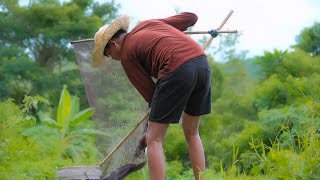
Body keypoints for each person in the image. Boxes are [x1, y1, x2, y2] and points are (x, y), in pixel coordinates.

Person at [92, 12, 218, 180]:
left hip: (177, 68)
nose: (112, 58)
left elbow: (152, 95)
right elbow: (191, 18)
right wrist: (169, 29)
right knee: (192, 132)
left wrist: (149, 132)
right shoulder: (148, 24)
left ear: (113, 45)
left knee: (154, 140)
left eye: (107, 54)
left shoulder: (127, 55)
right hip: (202, 64)